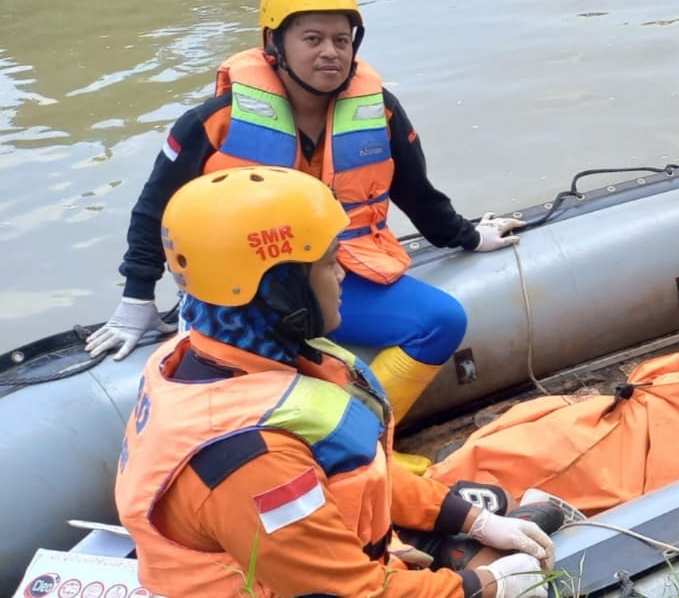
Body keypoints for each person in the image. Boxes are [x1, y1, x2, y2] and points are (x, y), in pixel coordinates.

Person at [88, 0, 519, 471]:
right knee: (262, 367)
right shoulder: (215, 120)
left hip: (334, 274)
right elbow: (154, 210)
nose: (330, 53)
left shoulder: (378, 110)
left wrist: (468, 237)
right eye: (311, 39)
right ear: (275, 45)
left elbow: (416, 193)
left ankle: (366, 442)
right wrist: (136, 297)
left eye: (341, 40)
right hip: (243, 291)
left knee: (442, 321)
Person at [114, 165, 553, 598]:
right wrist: (486, 586)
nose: (342, 273)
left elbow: (360, 469)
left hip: (306, 563)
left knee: (501, 512)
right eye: (328, 262)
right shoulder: (253, 459)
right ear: (279, 292)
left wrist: (468, 518)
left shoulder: (217, 354)